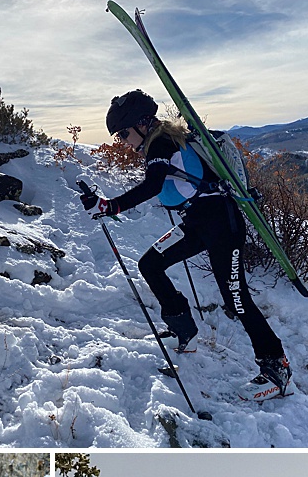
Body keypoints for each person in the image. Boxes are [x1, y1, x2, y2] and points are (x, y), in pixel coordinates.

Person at [80, 89, 294, 401]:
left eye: (123, 133)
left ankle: (277, 368)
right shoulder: (160, 143)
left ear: (141, 124)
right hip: (197, 223)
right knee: (150, 264)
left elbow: (153, 184)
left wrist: (110, 207)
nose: (122, 141)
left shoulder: (162, 142)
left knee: (236, 299)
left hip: (222, 225)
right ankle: (184, 329)